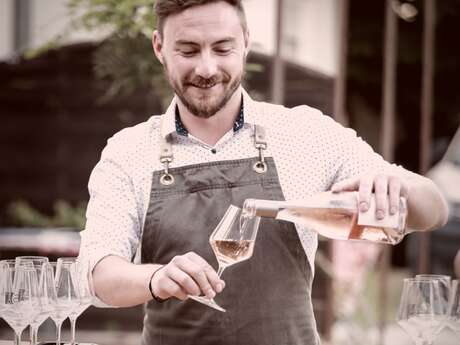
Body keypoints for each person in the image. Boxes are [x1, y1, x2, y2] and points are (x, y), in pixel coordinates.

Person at [78, 1, 449, 344]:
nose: (206, 69)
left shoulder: (305, 133)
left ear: (246, 43)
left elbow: (433, 211)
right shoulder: (129, 151)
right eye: (188, 50)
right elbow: (99, 274)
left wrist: (398, 185)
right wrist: (156, 278)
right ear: (159, 47)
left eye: (222, 48)